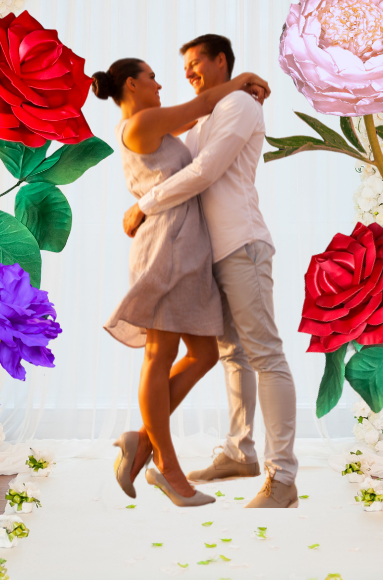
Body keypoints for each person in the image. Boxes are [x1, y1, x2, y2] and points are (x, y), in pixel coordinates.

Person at [123, 35, 299, 509]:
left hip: (242, 244)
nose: (188, 71)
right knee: (231, 355)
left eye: (196, 61)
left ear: (222, 61)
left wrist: (144, 204)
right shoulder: (205, 115)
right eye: (183, 65)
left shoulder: (241, 103)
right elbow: (176, 156)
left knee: (265, 355)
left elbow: (205, 171)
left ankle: (282, 478)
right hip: (209, 255)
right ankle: (239, 452)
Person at [94, 57, 271, 508]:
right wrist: (243, 80)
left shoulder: (156, 123)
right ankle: (169, 469)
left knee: (205, 352)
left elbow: (205, 112)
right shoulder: (141, 122)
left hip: (187, 244)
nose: (159, 84)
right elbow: (206, 101)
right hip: (166, 244)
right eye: (151, 77)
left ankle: (143, 441)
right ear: (131, 84)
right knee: (160, 353)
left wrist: (234, 97)